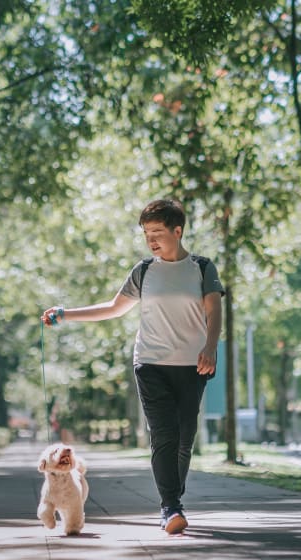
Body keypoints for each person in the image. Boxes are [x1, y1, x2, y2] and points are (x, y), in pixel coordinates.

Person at [41, 198, 224, 534]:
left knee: (185, 436)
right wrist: (66, 313)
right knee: (164, 435)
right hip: (150, 363)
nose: (151, 240)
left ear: (177, 231)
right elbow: (113, 308)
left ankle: (173, 496)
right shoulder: (144, 271)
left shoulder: (201, 268)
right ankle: (170, 507)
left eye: (157, 232)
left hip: (192, 364)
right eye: (146, 234)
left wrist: (211, 347)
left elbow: (214, 311)